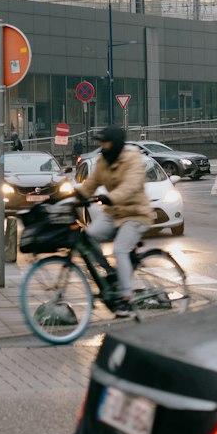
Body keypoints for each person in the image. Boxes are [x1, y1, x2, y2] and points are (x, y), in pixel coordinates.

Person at [80, 123, 153, 317]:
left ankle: (126, 299)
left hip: (136, 213)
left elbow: (131, 185)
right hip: (114, 213)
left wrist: (111, 197)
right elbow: (91, 184)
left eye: (106, 143)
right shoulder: (102, 161)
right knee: (87, 237)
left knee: (120, 249)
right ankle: (111, 273)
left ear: (116, 144)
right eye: (101, 143)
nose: (103, 146)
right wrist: (70, 197)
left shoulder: (133, 159)